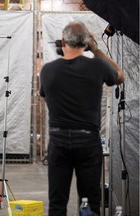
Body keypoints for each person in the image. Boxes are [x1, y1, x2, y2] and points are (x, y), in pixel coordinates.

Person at [40, 21, 124, 216]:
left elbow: (45, 98)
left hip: (59, 140)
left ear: (63, 42)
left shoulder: (48, 70)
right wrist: (96, 50)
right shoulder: (97, 66)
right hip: (88, 141)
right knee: (88, 203)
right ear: (86, 42)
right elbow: (120, 76)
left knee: (57, 203)